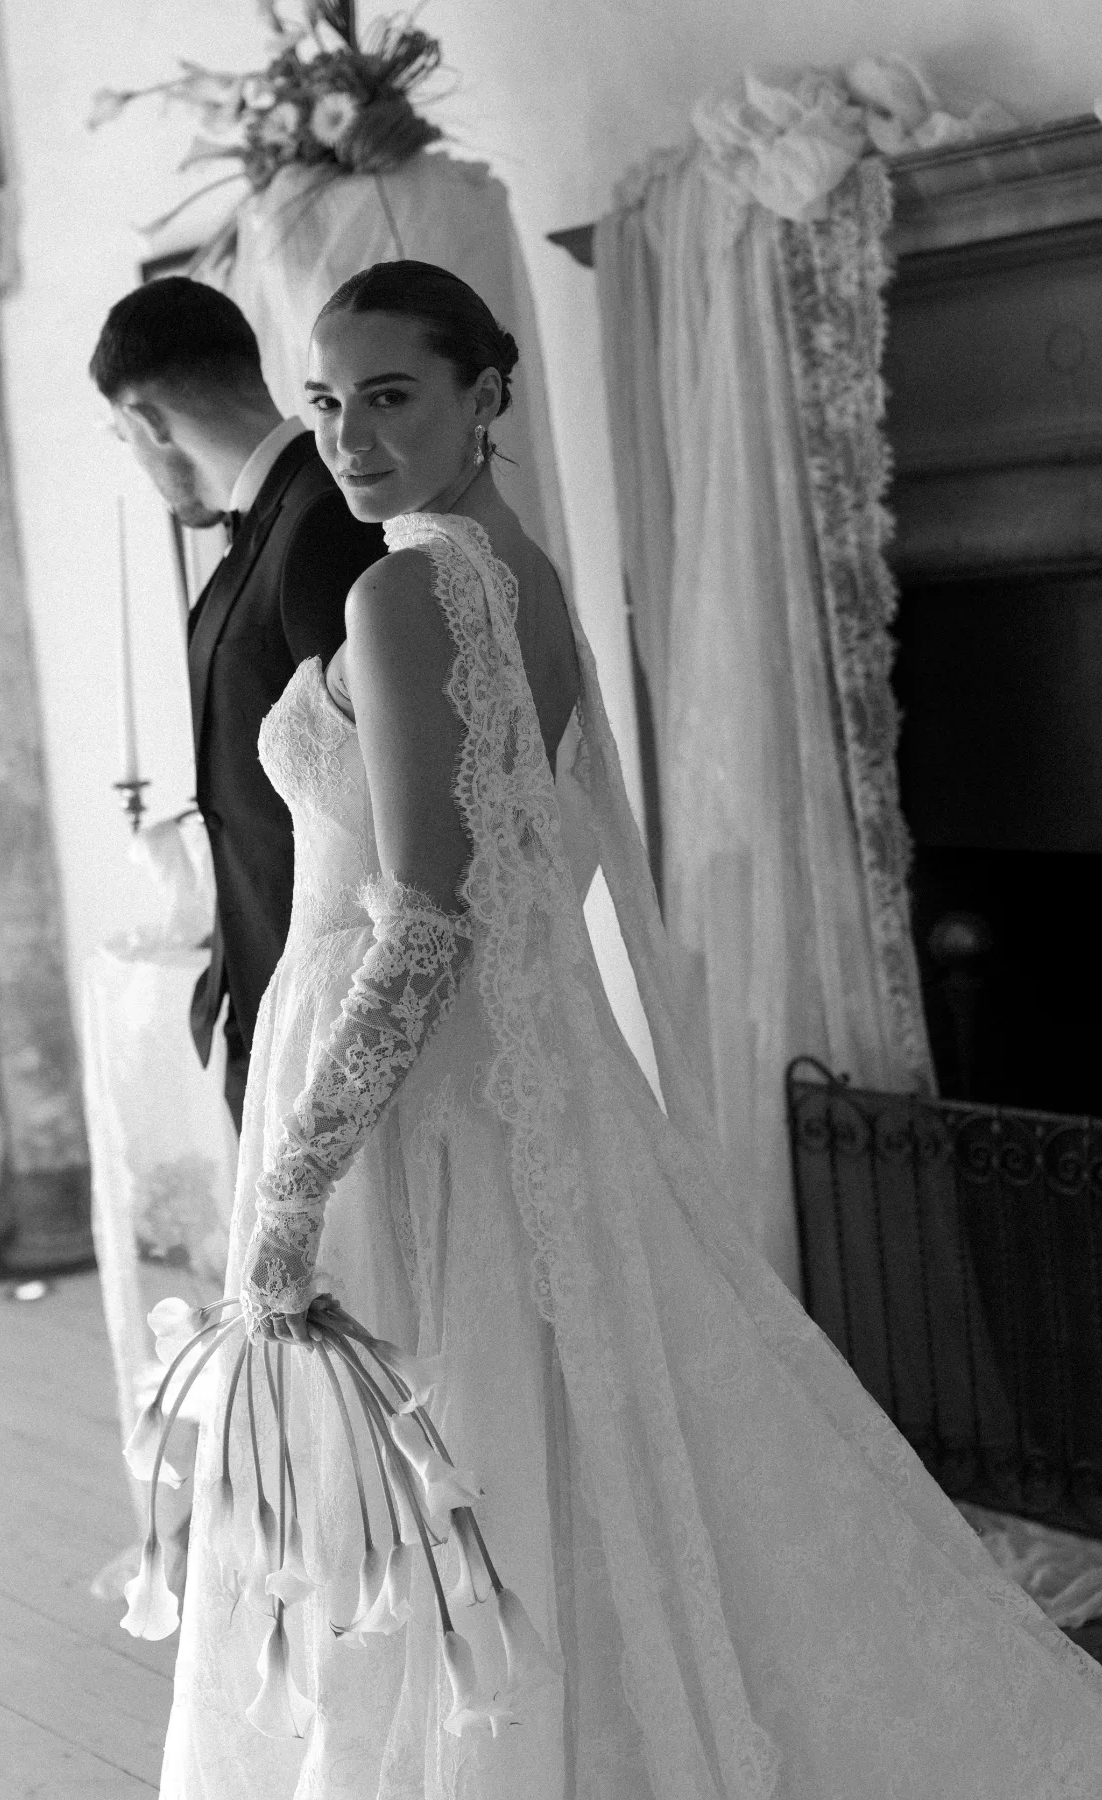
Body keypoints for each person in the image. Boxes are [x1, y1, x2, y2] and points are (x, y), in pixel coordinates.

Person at [157, 262, 1102, 1800]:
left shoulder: (403, 594)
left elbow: (429, 926)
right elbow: (536, 870)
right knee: (550, 1463)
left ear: (486, 398)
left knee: (453, 1481)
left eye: (390, 394)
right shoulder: (518, 575)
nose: (347, 435)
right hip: (506, 1096)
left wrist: (293, 1187)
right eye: (325, 401)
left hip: (414, 1114)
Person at [89, 278, 384, 1128]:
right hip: (265, 999)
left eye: (123, 437)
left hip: (335, 1022)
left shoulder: (325, 520)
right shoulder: (263, 523)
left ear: (145, 421)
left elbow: (382, 796)